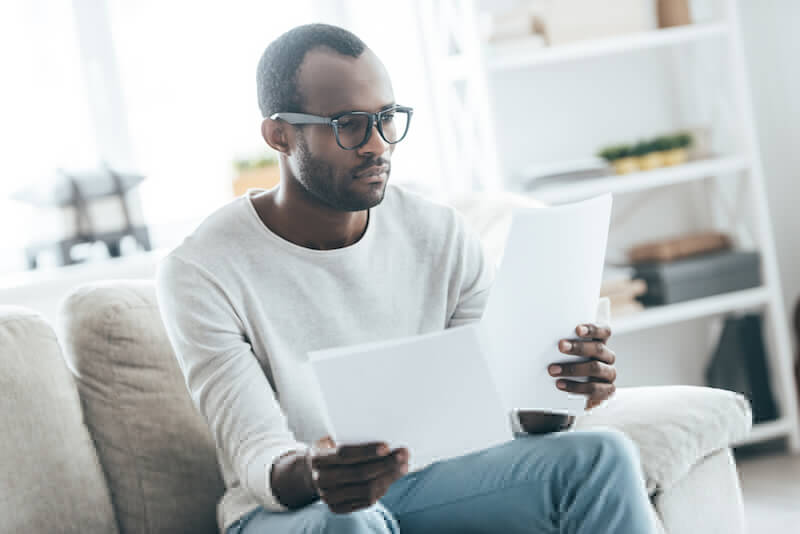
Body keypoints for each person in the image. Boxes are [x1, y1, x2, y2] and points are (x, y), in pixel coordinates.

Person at [156, 23, 657, 534]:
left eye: (387, 118)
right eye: (350, 124)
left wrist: (557, 392)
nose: (378, 145)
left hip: (430, 482)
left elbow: (500, 408)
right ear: (279, 135)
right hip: (290, 514)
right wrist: (319, 471)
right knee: (352, 523)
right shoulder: (201, 271)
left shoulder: (437, 232)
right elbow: (258, 454)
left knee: (602, 455)